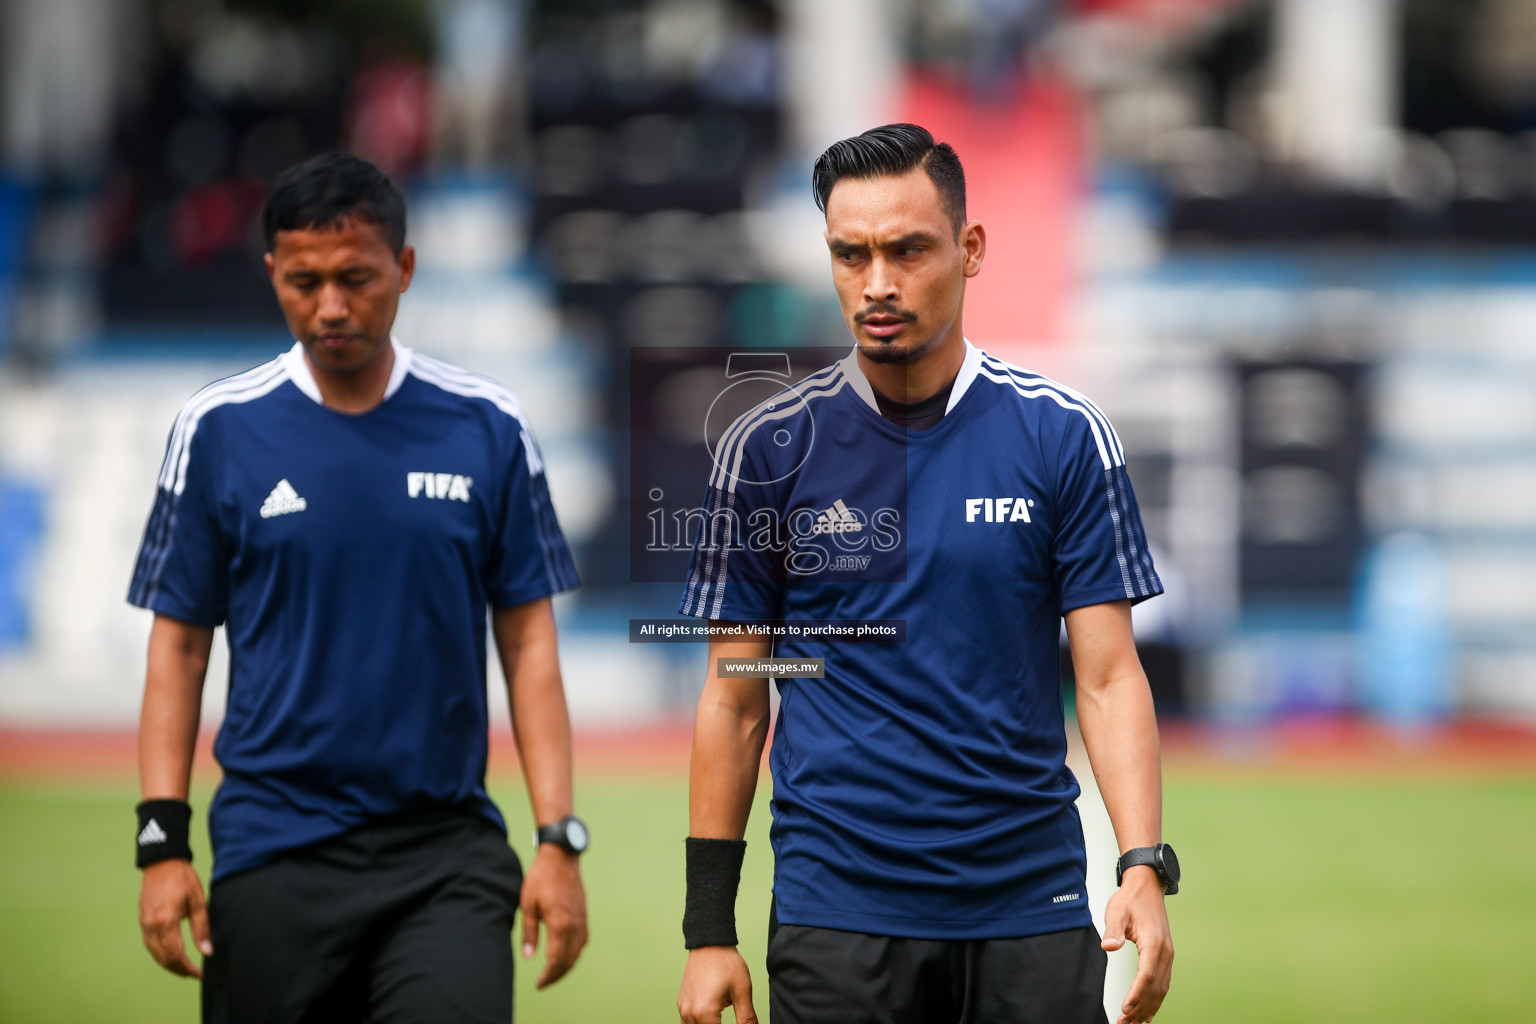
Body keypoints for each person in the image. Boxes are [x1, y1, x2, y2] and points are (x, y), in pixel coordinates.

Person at [675, 124, 1177, 1024]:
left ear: (970, 249)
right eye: (850, 254)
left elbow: (1107, 677)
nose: (876, 284)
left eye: (907, 249)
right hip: (838, 916)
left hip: (1029, 906)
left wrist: (1142, 862)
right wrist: (709, 928)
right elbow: (735, 695)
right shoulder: (766, 450)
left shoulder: (1062, 436)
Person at [129, 152, 589, 1024]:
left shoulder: (487, 425)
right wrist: (161, 842)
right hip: (274, 847)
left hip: (446, 853)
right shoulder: (218, 429)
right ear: (272, 274)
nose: (331, 306)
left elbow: (528, 643)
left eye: (355, 277)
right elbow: (180, 645)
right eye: (303, 281)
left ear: (404, 270)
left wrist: (559, 837)